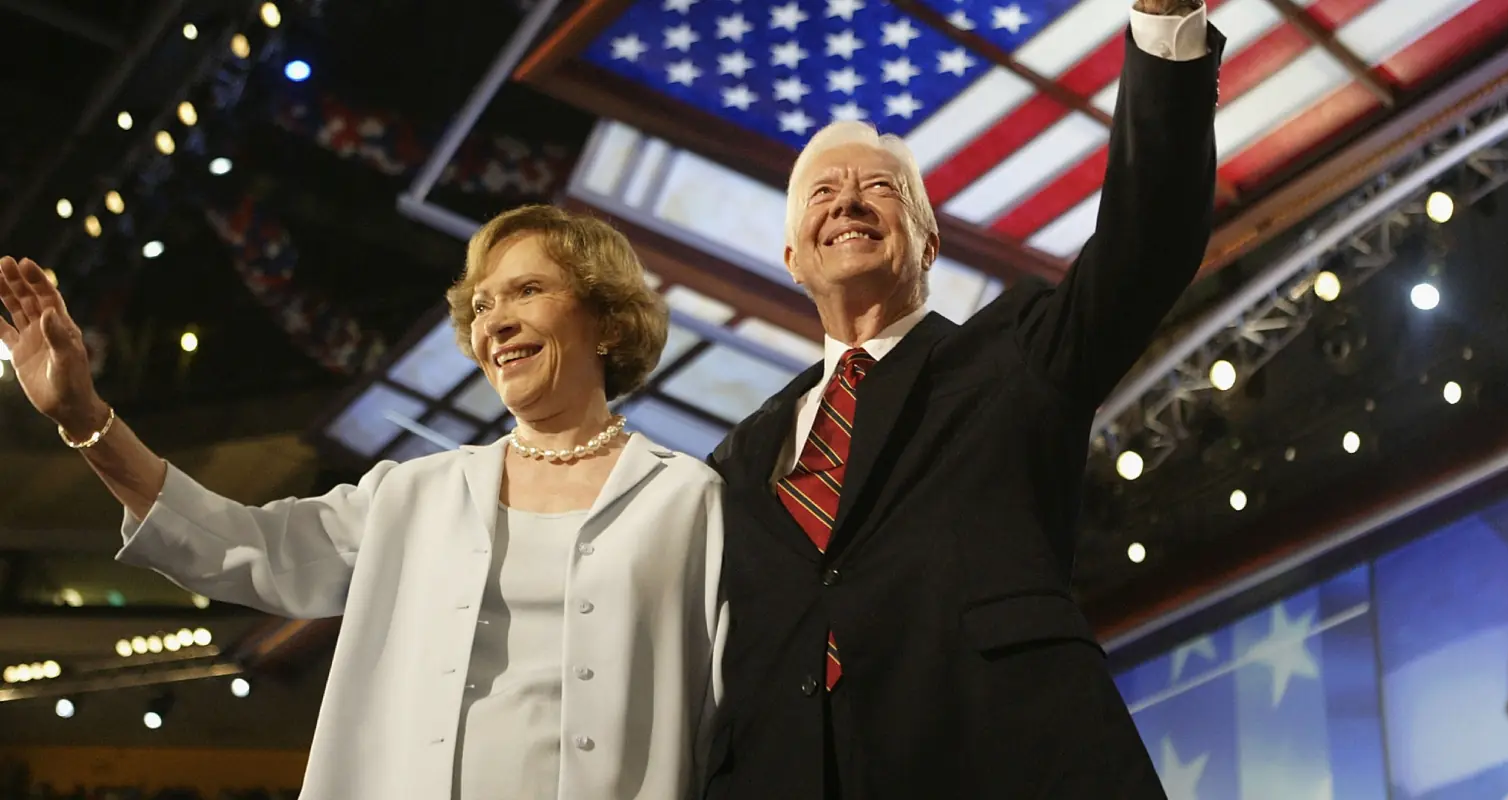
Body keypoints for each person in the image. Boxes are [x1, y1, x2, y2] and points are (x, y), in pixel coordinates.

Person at [0, 204, 725, 800]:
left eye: (527, 290)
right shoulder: (414, 495)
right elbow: (235, 546)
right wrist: (84, 419)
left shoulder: (688, 500)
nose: (494, 321)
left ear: (608, 319)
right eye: (482, 305)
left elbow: (737, 708)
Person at [699, 1, 1223, 798]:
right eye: (822, 194)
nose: (847, 202)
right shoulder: (732, 462)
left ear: (929, 242)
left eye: (878, 187)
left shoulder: (1016, 354)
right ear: (791, 260)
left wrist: (1165, 27)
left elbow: (1145, 241)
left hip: (1011, 765)